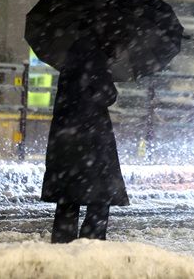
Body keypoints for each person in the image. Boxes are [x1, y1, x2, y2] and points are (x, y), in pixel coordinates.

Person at [41, 38, 129, 243]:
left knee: (69, 197)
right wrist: (107, 72)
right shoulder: (96, 57)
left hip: (67, 135)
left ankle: (63, 243)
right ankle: (91, 244)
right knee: (100, 196)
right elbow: (107, 95)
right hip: (92, 137)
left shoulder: (73, 55)